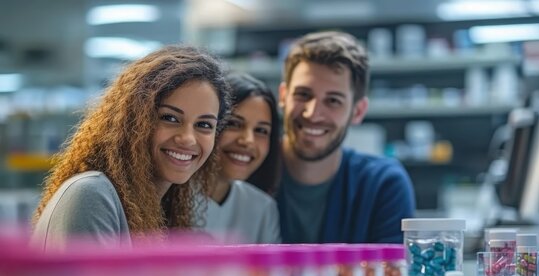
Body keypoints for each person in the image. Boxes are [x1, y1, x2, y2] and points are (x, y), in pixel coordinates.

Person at [31, 45, 231, 249]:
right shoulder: (91, 194)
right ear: (133, 120)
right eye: (169, 118)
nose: (188, 139)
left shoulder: (159, 206)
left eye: (204, 125)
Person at [276, 31, 415, 244]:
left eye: (332, 100)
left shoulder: (382, 184)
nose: (312, 113)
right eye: (303, 95)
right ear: (284, 96)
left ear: (358, 111)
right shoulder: (249, 172)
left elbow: (388, 274)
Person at [200, 72, 281, 244]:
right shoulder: (167, 195)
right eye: (234, 124)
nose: (248, 141)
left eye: (261, 131)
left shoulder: (262, 209)